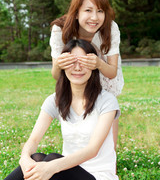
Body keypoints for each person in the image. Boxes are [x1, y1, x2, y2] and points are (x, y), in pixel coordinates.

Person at [5, 39, 120, 180]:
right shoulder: (55, 100)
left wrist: (51, 167)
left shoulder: (107, 101)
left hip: (97, 176)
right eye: (71, 62)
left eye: (83, 62)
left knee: (52, 159)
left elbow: (92, 150)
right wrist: (25, 159)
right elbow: (33, 140)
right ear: (63, 66)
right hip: (64, 171)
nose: (77, 68)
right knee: (36, 158)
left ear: (93, 65)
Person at [49, 0, 124, 149]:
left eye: (100, 11)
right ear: (76, 13)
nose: (95, 17)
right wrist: (60, 64)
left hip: (104, 74)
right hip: (75, 79)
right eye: (88, 11)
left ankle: (109, 162)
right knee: (81, 123)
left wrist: (98, 63)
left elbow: (111, 72)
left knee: (107, 114)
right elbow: (56, 74)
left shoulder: (110, 29)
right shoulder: (60, 30)